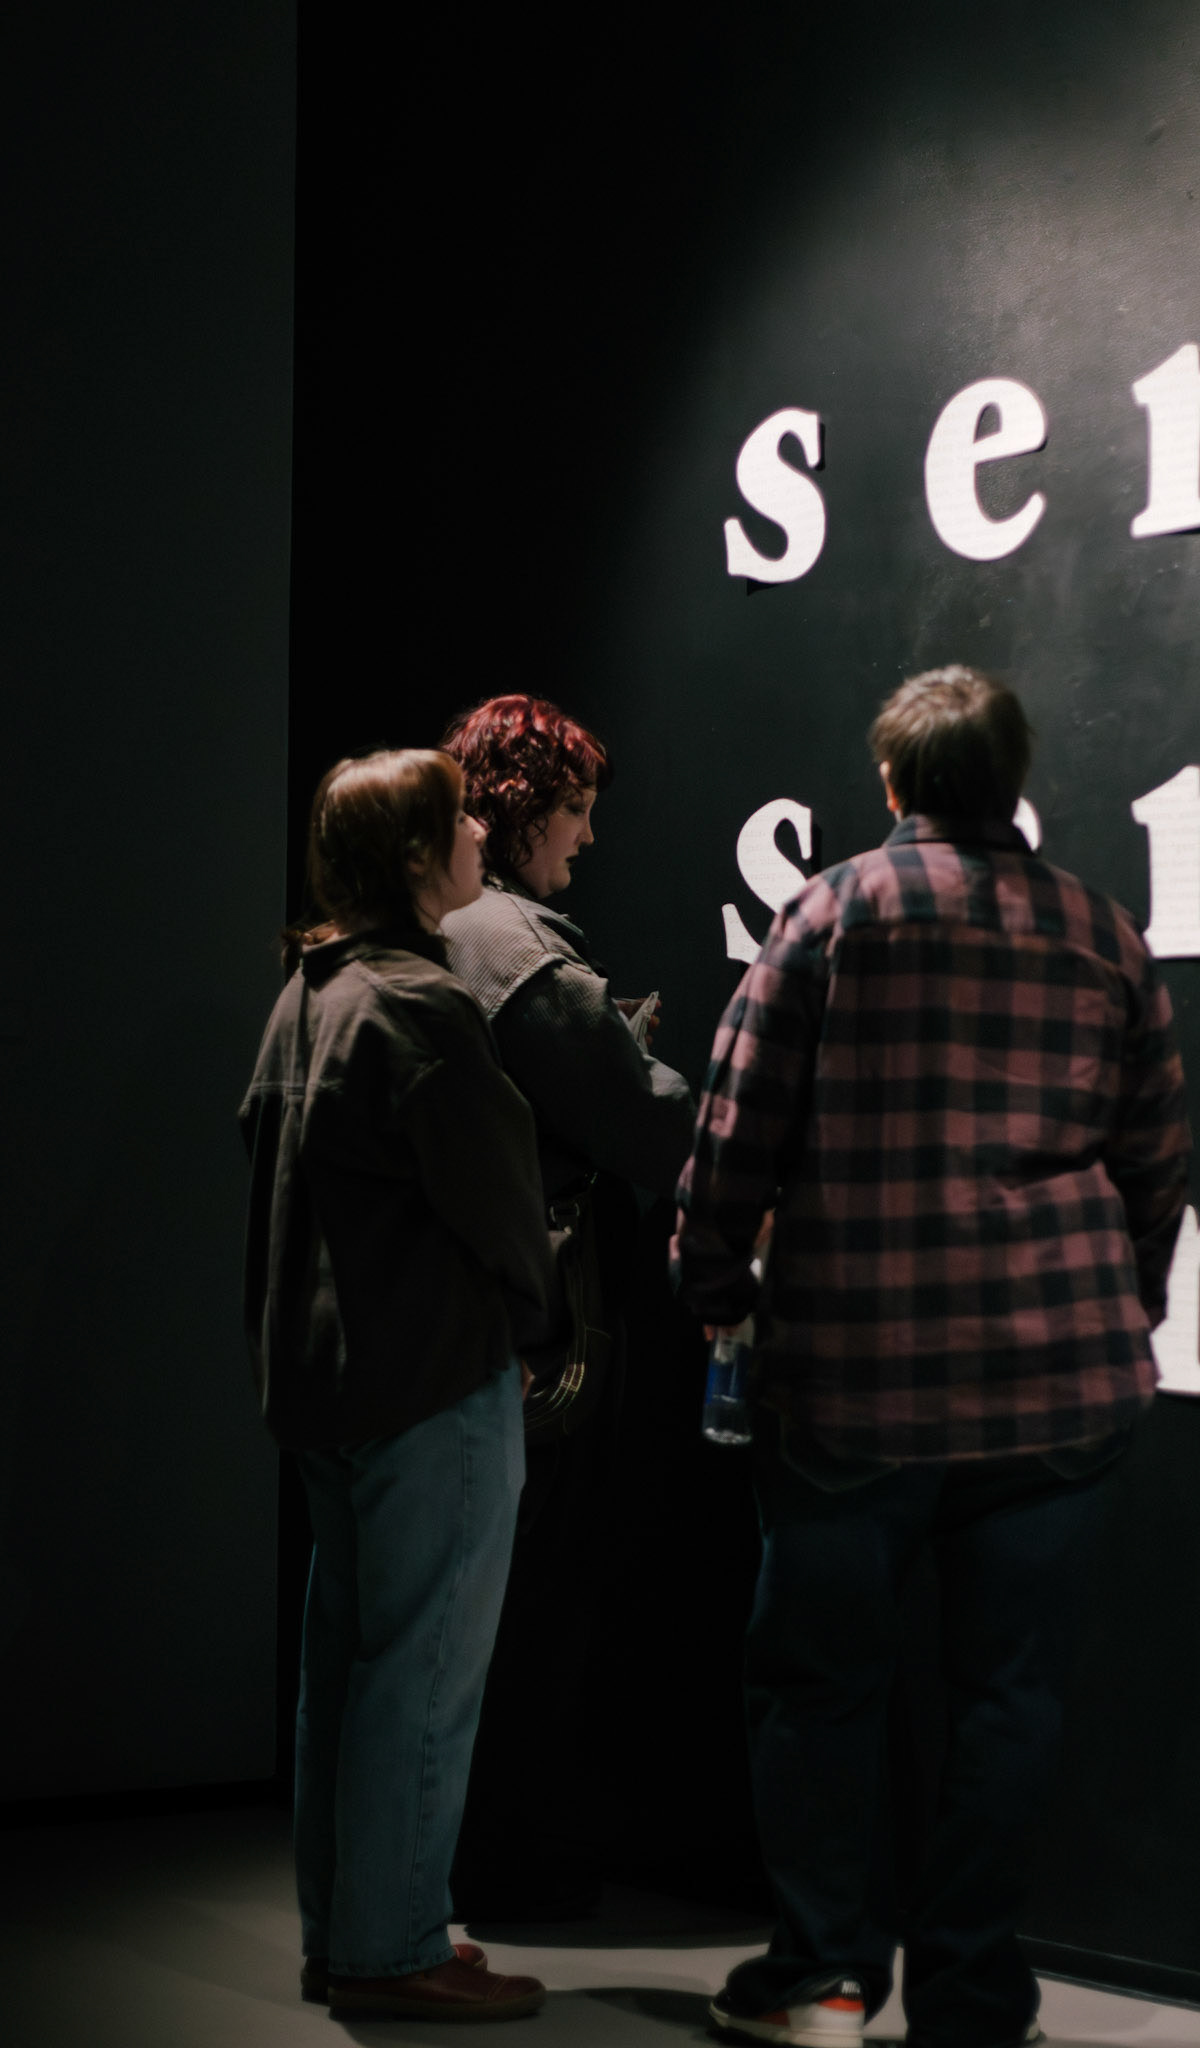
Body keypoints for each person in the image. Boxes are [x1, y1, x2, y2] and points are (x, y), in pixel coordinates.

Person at [673, 667, 1192, 2048]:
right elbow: (1157, 1161)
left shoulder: (831, 912)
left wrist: (714, 1289)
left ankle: (823, 1979)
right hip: (1058, 1390)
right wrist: (1125, 1309)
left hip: (856, 1379)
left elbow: (735, 1130)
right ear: (1012, 780)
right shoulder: (1101, 927)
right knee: (1008, 1702)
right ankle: (971, 1999)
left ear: (893, 780)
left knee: (822, 1688)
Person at [239, 748, 554, 2022]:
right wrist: (533, 1308)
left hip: (327, 1385)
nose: (481, 828)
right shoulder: (419, 1004)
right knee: (423, 1670)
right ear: (417, 854)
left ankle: (352, 1930)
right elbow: (501, 1197)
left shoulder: (307, 996)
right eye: (458, 815)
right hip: (429, 1379)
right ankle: (395, 1947)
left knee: (348, 1670)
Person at [440, 692, 697, 1918]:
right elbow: (645, 1118)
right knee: (535, 1606)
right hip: (539, 1339)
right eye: (577, 810)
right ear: (521, 806)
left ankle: (450, 1864)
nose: (588, 838)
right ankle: (511, 1867)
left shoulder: (438, 931)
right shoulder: (514, 949)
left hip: (460, 1328)